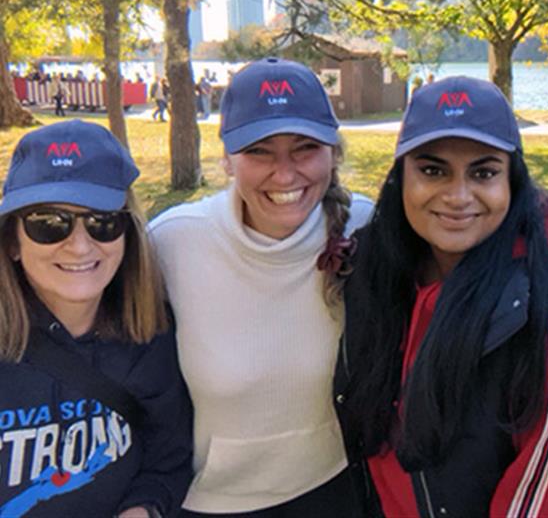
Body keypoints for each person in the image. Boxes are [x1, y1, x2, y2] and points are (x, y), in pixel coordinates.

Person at [335, 76, 548, 516]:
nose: (457, 196)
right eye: (433, 170)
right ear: (401, 178)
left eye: (484, 173)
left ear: (513, 182)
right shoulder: (379, 272)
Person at [148, 58, 374, 516]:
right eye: (259, 151)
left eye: (305, 148)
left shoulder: (368, 227)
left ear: (334, 152)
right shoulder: (173, 242)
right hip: (212, 501)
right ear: (228, 159)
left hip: (339, 488)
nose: (285, 174)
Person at [0, 120, 193, 517]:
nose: (79, 246)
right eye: (48, 223)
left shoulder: (150, 335)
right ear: (12, 242)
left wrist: (143, 509)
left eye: (102, 222)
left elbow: (167, 459)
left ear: (127, 234)